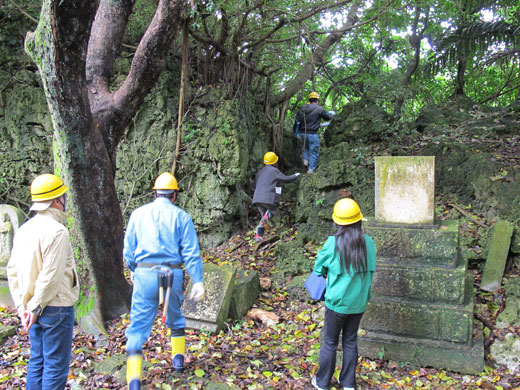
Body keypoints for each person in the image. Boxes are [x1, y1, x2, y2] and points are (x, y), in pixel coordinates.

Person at [123, 172, 204, 390]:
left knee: (138, 326)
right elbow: (191, 253)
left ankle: (133, 379)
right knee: (176, 316)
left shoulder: (137, 214)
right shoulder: (182, 217)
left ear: (155, 193)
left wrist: (133, 268)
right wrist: (198, 280)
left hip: (145, 274)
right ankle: (178, 361)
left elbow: (128, 249)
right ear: (174, 195)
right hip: (173, 274)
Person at [7, 173, 79, 390]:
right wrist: (36, 307)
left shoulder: (24, 229)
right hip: (54, 307)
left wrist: (23, 307)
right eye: (63, 196)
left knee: (37, 361)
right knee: (55, 365)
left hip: (31, 308)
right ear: (57, 201)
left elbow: (12, 270)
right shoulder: (58, 232)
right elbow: (51, 276)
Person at [311, 198, 376, 390]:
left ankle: (323, 383)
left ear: (337, 222)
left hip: (336, 303)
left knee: (330, 342)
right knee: (350, 340)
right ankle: (348, 383)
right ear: (358, 220)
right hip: (358, 303)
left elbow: (318, 268)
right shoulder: (369, 243)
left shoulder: (332, 243)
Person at [252, 151, 300, 242]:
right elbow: (286, 179)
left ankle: (259, 237)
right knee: (273, 210)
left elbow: (254, 184)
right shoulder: (274, 171)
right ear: (274, 162)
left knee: (264, 216)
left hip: (257, 199)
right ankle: (263, 226)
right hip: (267, 198)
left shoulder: (260, 172)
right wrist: (296, 175)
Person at [293, 91, 334, 173]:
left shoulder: (303, 108)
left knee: (306, 148)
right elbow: (327, 118)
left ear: (309, 99)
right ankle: (311, 169)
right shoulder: (319, 109)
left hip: (302, 133)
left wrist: (295, 132)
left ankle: (305, 161)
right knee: (314, 152)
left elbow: (297, 121)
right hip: (312, 134)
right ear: (317, 100)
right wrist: (331, 114)